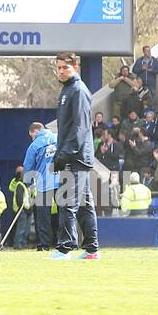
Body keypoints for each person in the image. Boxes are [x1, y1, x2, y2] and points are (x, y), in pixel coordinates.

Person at [51, 52, 99, 260]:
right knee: (85, 204)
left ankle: (65, 247)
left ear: (75, 68)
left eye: (65, 68)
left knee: (67, 202)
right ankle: (91, 249)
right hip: (76, 154)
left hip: (76, 156)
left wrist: (65, 154)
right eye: (59, 67)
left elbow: (80, 127)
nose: (61, 71)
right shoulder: (68, 90)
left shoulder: (78, 90)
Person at [22, 121, 57, 251]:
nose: (32, 137)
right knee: (66, 213)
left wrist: (29, 184)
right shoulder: (58, 138)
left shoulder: (34, 145)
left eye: (31, 135)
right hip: (63, 180)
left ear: (35, 131)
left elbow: (28, 167)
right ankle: (67, 242)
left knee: (43, 217)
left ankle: (44, 244)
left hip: (44, 183)